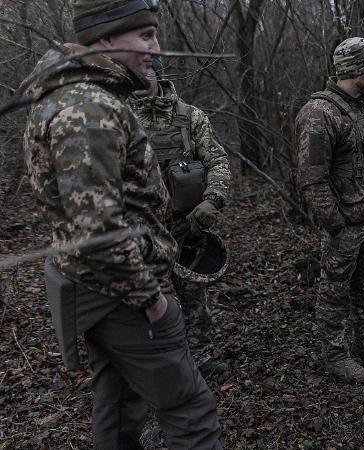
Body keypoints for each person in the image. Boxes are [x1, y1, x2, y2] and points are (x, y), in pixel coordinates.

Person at [21, 0, 221, 447]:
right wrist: (151, 302)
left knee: (118, 407)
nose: (157, 48)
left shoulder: (79, 93)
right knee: (190, 411)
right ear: (106, 38)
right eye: (145, 36)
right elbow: (98, 232)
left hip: (99, 289)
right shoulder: (88, 108)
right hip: (123, 294)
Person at [295, 37, 364, 383]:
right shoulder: (319, 114)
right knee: (335, 289)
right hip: (346, 225)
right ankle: (335, 354)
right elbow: (312, 180)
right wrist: (336, 224)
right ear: (356, 70)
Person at [129, 65, 231, 323]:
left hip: (185, 229)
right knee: (146, 307)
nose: (140, 75)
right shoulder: (118, 120)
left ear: (158, 73)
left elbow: (217, 161)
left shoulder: (190, 117)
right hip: (139, 234)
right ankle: (158, 360)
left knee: (195, 303)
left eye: (146, 68)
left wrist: (212, 200)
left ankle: (201, 359)